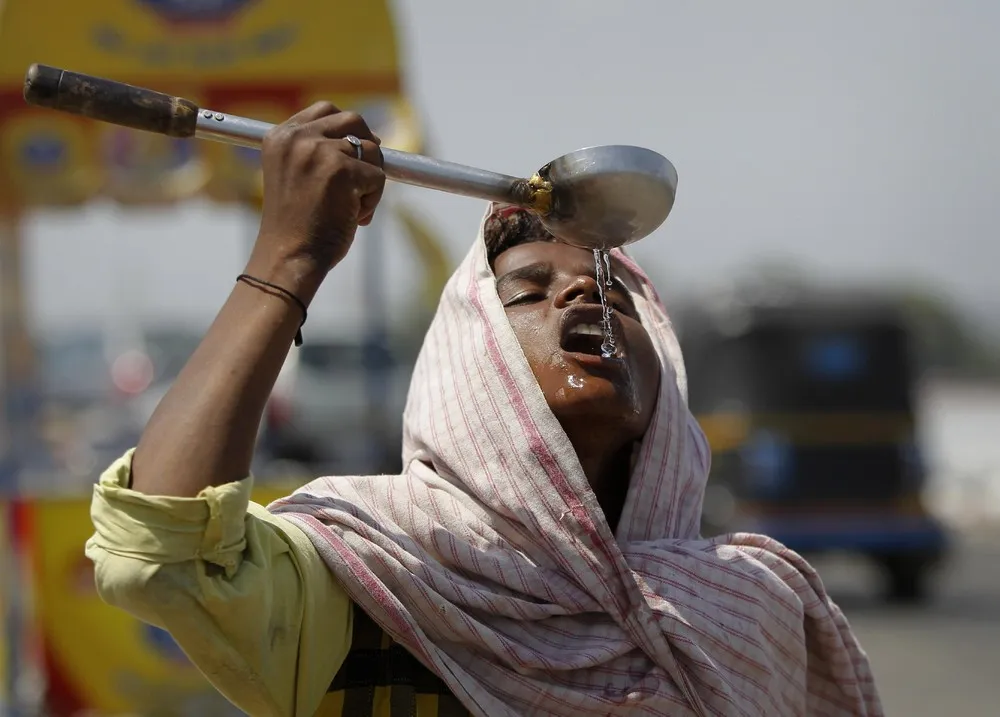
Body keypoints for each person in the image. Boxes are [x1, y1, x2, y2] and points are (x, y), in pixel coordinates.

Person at [85, 103, 883, 717]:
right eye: (530, 290)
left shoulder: (755, 603)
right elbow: (163, 549)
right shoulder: (373, 578)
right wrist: (289, 255)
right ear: (474, 366)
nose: (581, 290)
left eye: (616, 296)